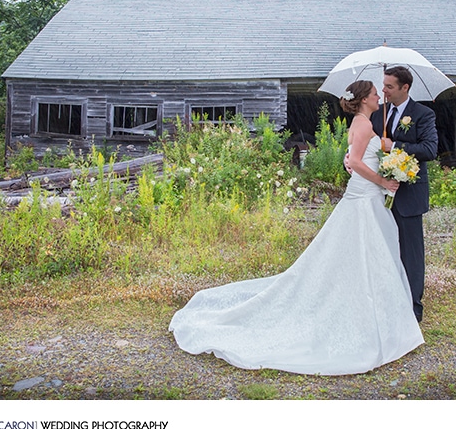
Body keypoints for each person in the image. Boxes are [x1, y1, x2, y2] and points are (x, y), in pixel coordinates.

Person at [169, 80, 424, 375]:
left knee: (361, 255)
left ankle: (370, 309)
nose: (379, 95)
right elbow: (356, 159)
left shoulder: (360, 122)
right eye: (375, 93)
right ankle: (366, 315)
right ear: (365, 99)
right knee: (364, 253)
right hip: (365, 198)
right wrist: (382, 180)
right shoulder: (365, 124)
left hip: (365, 196)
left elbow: (352, 160)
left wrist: (378, 165)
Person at [370, 65, 438, 323]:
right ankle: (389, 302)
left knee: (411, 253)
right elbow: (366, 146)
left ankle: (413, 309)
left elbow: (430, 149)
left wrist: (396, 145)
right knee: (384, 250)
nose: (384, 91)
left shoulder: (423, 114)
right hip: (379, 194)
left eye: (389, 86)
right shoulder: (378, 114)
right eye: (383, 86)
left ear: (405, 88)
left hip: (409, 195)